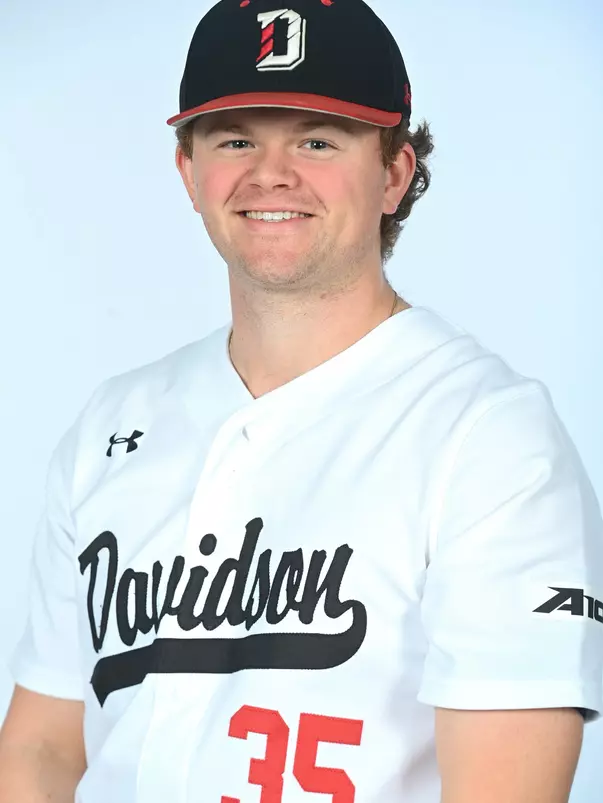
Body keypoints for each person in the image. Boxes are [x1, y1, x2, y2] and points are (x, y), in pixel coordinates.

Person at [1, 0, 602, 801]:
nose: (270, 174)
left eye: (317, 140)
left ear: (394, 172)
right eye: (236, 139)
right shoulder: (112, 424)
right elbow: (40, 750)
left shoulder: (489, 436)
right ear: (189, 172)